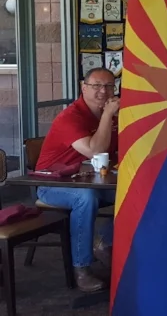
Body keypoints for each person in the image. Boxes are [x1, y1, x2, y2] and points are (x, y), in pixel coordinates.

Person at [35, 67, 118, 292]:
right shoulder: (70, 117)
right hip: (53, 184)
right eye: (96, 86)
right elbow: (95, 150)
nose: (103, 91)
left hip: (90, 179)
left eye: (109, 86)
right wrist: (108, 115)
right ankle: (81, 268)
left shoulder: (109, 115)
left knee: (139, 189)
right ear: (83, 87)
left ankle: (104, 241)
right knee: (85, 198)